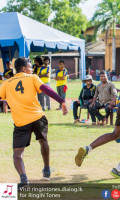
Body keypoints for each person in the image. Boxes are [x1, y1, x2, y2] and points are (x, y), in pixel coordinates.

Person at [0, 57, 68, 185]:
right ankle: (47, 170)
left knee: (17, 154)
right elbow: (46, 89)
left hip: (21, 122)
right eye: (31, 67)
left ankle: (24, 179)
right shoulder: (32, 78)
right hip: (37, 117)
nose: (32, 69)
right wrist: (61, 101)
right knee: (43, 141)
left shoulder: (7, 83)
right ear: (24, 68)